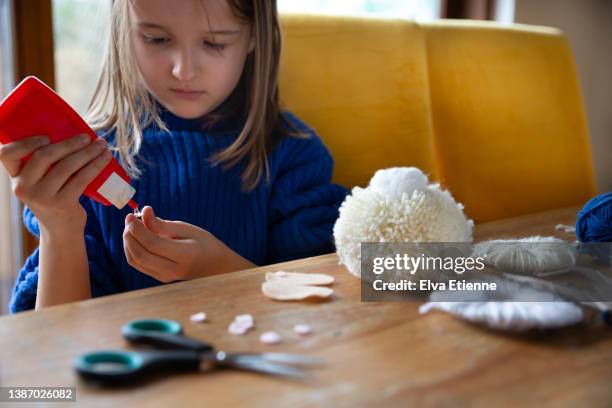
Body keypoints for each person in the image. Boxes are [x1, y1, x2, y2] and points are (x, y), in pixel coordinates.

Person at [2, 0, 348, 313]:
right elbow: (56, 351)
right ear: (125, 33)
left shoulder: (293, 154)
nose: (183, 70)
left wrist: (220, 270)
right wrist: (58, 230)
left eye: (214, 43)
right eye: (156, 39)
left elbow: (330, 306)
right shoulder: (84, 163)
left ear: (255, 37)